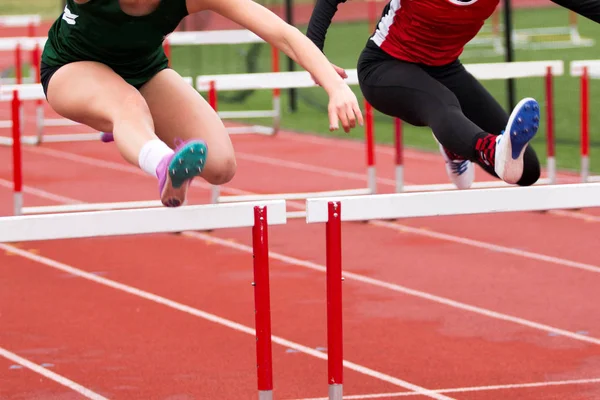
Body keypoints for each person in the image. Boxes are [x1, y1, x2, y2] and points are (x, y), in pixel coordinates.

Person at [41, 0, 363, 207]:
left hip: (143, 71)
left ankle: (136, 133)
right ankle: (157, 158)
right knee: (128, 105)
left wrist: (335, 85)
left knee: (222, 166)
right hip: (71, 68)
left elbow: (280, 31)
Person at [305, 0, 550, 190]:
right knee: (443, 102)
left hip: (444, 69)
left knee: (526, 170)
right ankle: (487, 147)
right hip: (385, 67)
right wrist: (315, 56)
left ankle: (456, 145)